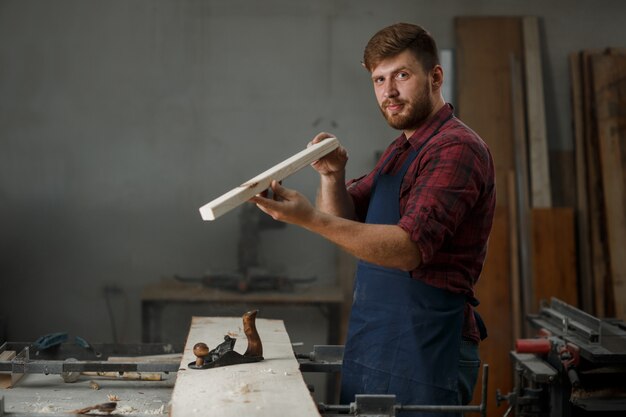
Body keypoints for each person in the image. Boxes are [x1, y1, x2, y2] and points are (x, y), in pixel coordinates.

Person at [251, 22, 495, 414]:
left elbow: (408, 249)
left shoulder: (456, 149)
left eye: (402, 75)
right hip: (376, 341)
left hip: (427, 348)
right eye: (379, 79)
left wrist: (309, 219)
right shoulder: (401, 149)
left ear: (435, 76)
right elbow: (344, 215)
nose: (389, 92)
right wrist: (331, 176)